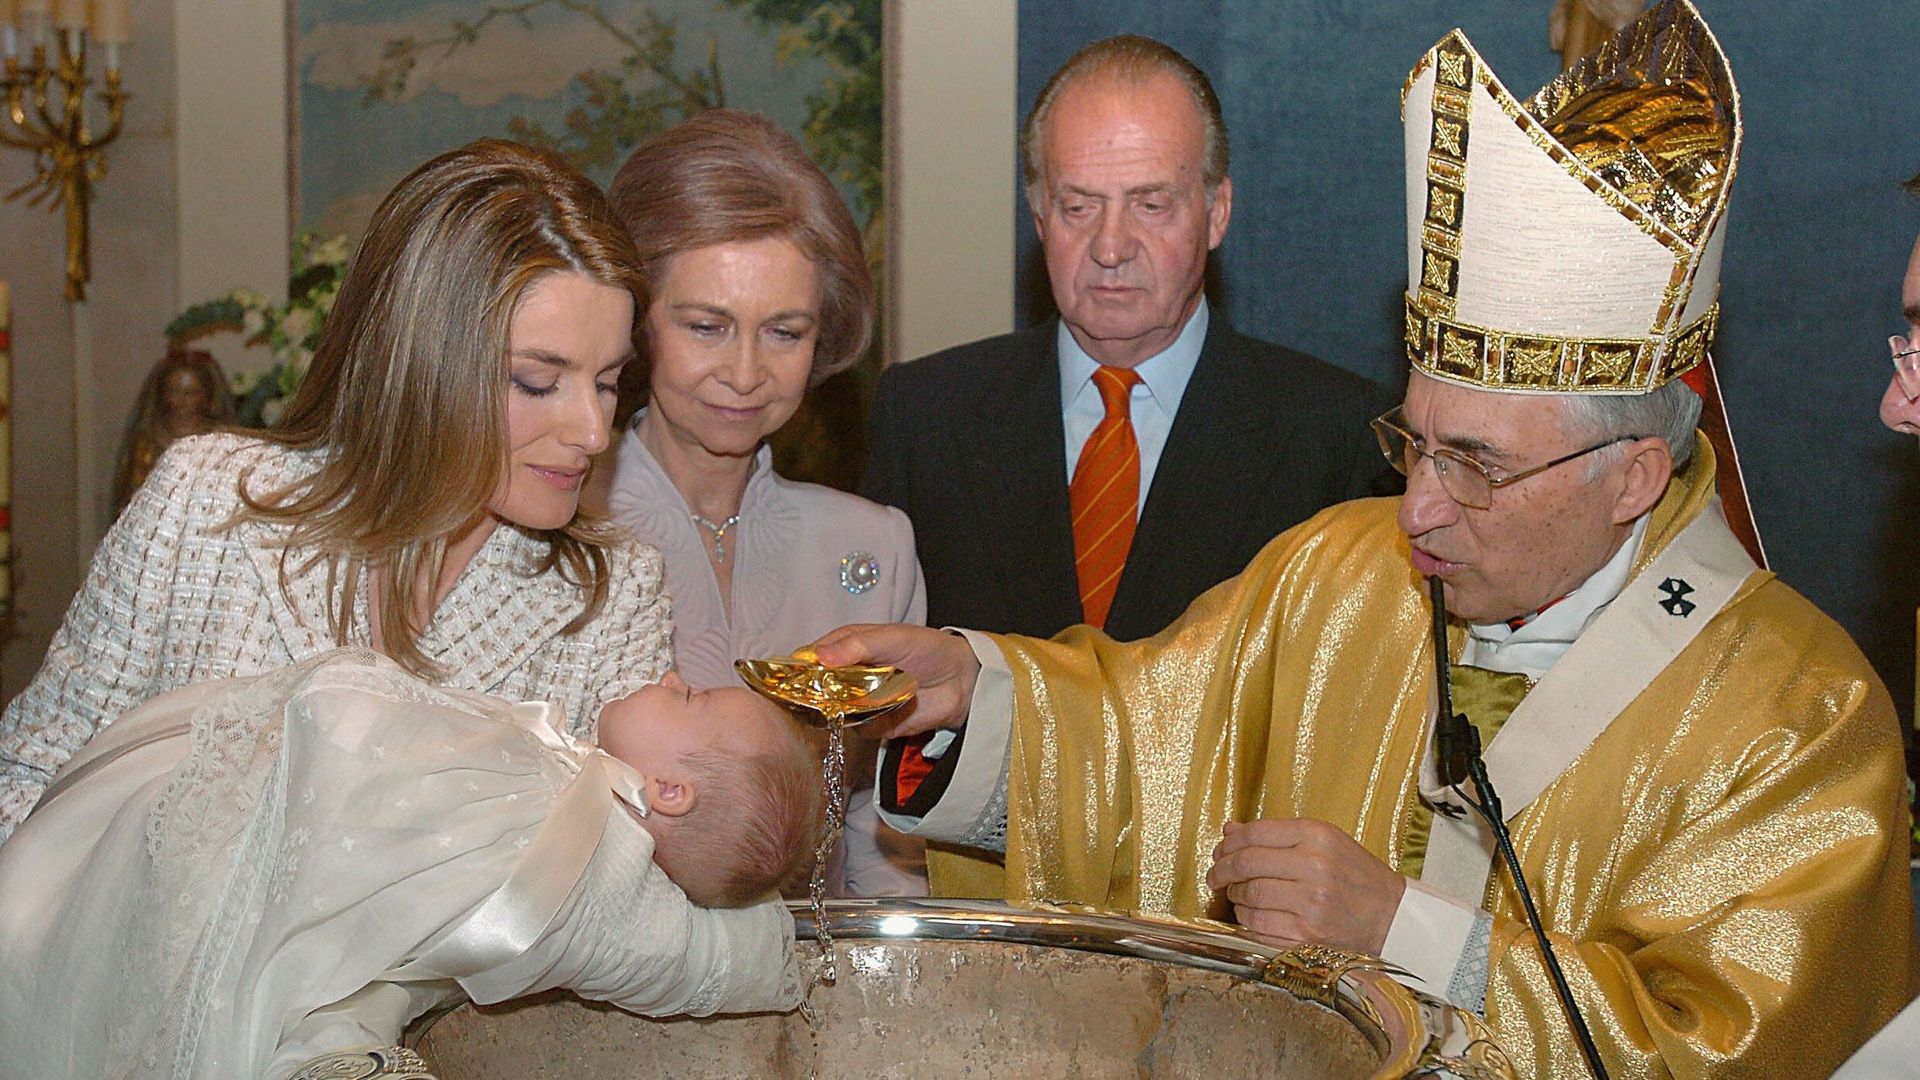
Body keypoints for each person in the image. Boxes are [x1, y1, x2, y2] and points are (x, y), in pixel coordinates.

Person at [817, 4, 1915, 1074]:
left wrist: (1406, 929)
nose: (1420, 507)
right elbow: (1144, 736)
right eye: (1416, 443)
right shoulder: (1341, 572)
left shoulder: (1799, 714)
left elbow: (1735, 1043)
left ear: (1630, 476)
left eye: (1476, 464)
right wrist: (974, 686)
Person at [0, 138, 676, 844]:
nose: (595, 432)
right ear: (420, 362)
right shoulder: (203, 502)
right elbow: (27, 783)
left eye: (606, 383)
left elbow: (636, 887)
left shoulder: (614, 595)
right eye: (537, 382)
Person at [0, 648, 821, 1079]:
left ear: (669, 792)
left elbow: (671, 954)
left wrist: (764, 954)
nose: (675, 675)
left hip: (268, 880)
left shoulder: (598, 877)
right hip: (271, 796)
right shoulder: (561, 762)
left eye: (691, 698)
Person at [862, 34, 1390, 649]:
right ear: (1038, 218)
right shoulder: (926, 418)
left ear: (1216, 212)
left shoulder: (1339, 439)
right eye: (1079, 208)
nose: (1111, 248)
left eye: (1151, 205)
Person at [588, 109, 926, 895]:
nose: (745, 374)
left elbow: (880, 831)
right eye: (707, 326)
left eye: (784, 332)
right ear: (638, 322)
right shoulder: (561, 531)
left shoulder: (873, 546)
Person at [111, 347, 236, 514]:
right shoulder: (148, 442)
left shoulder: (221, 441)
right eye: (174, 391)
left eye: (190, 393)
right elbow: (132, 494)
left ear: (207, 396)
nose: (182, 401)